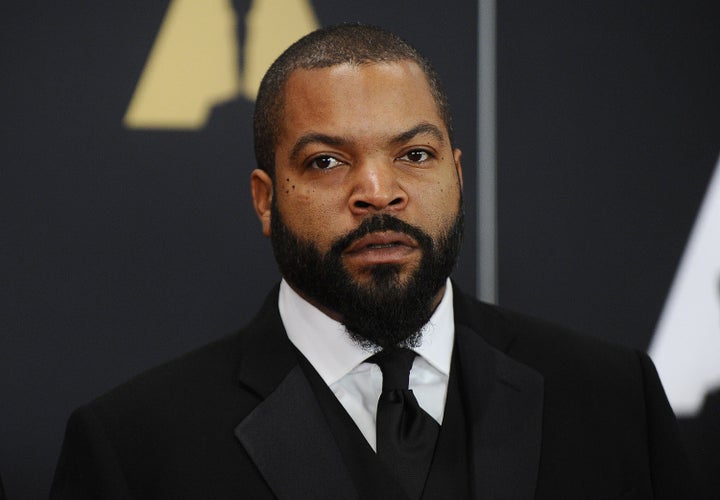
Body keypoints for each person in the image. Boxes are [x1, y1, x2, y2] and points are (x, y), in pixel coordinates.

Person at [50, 23, 694, 499]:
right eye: (327, 161)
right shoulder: (133, 450)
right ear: (265, 200)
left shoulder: (614, 401)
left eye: (414, 154)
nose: (379, 192)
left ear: (457, 175)